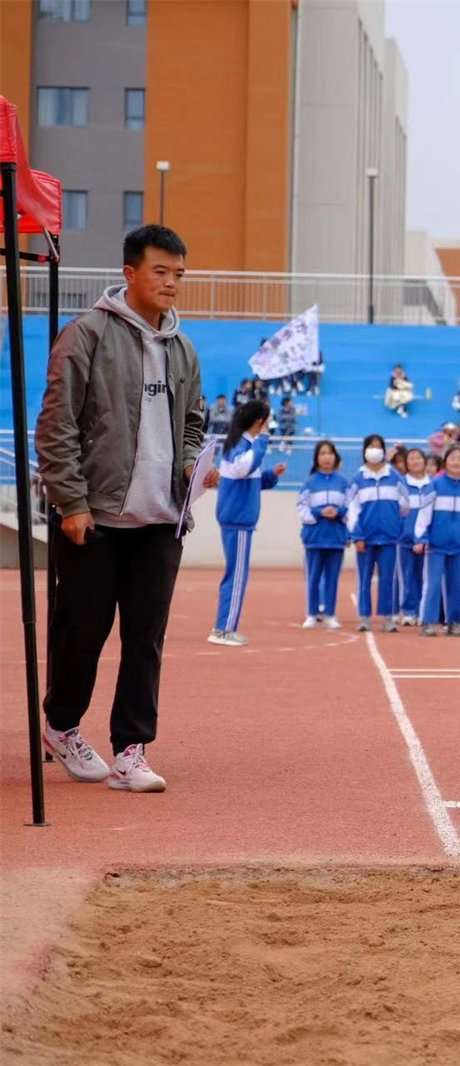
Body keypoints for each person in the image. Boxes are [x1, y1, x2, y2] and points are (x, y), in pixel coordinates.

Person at [34, 224, 210, 793]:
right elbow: (55, 427)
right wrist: (72, 502)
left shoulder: (183, 349)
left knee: (145, 640)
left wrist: (191, 465)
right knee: (80, 633)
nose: (171, 283)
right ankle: (61, 725)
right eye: (161, 271)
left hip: (161, 521)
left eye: (178, 274)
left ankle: (132, 749)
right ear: (130, 273)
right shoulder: (85, 336)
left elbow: (192, 424)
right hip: (95, 518)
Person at [211, 400, 287, 647]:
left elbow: (248, 480)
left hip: (236, 518)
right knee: (237, 575)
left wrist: (271, 476)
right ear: (261, 422)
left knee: (236, 574)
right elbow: (243, 469)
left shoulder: (241, 446)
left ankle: (224, 627)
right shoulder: (243, 447)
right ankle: (224, 629)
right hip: (238, 520)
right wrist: (263, 440)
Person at [348, 433, 409, 633]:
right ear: (364, 451)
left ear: (384, 450)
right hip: (365, 539)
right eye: (371, 446)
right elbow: (352, 509)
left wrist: (396, 525)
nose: (374, 450)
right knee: (364, 578)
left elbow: (405, 505)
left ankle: (388, 617)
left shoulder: (395, 477)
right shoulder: (358, 479)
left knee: (387, 578)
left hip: (389, 538)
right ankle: (364, 617)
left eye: (378, 446)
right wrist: (357, 535)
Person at [414, 444, 460, 637]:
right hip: (436, 545)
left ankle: (454, 622)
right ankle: (428, 621)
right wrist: (421, 537)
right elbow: (424, 513)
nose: (456, 462)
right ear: (445, 461)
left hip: (459, 545)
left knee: (456, 585)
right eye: (452, 458)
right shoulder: (435, 484)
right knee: (433, 584)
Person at [297, 440, 349, 629]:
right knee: (313, 577)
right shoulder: (310, 483)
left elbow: (351, 507)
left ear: (335, 457)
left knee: (333, 578)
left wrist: (339, 512)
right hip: (315, 538)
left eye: (330, 453)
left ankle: (330, 614)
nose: (327, 457)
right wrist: (319, 512)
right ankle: (311, 614)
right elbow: (301, 507)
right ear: (317, 458)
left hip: (336, 538)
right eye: (323, 453)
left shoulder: (343, 482)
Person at [396, 448, 430, 625]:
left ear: (425, 461)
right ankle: (410, 611)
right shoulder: (401, 485)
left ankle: (425, 610)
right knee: (408, 576)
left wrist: (426, 537)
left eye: (418, 458)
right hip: (406, 540)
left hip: (428, 541)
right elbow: (397, 511)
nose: (415, 461)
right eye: (411, 458)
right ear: (406, 463)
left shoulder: (432, 484)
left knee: (426, 577)